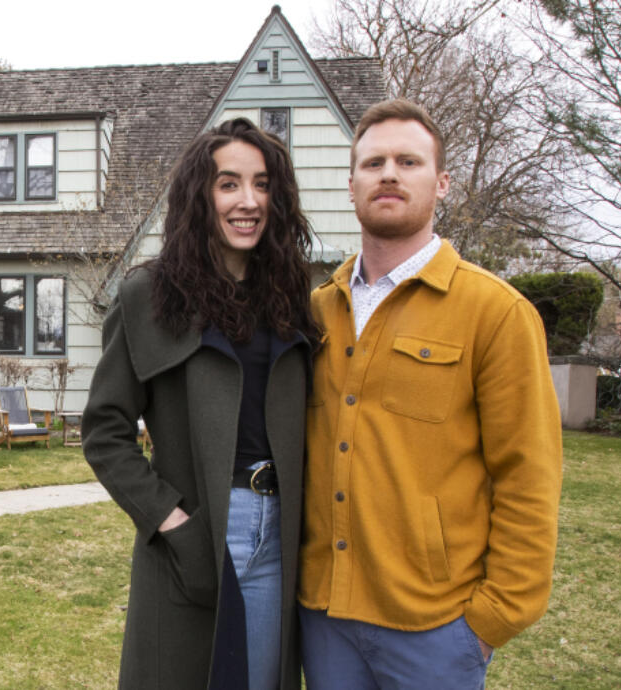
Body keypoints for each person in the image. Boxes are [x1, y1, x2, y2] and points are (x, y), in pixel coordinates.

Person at [298, 98, 562, 688]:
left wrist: (493, 618)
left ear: (441, 183)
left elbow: (529, 476)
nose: (389, 173)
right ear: (350, 185)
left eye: (408, 161)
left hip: (436, 629)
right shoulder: (316, 312)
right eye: (373, 163)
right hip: (324, 617)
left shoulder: (495, 313)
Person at [82, 118, 318, 689]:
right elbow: (104, 429)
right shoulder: (151, 295)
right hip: (201, 525)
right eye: (228, 183)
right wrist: (172, 519)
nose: (248, 201)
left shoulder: (294, 299)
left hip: (281, 529)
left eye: (262, 185)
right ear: (199, 195)